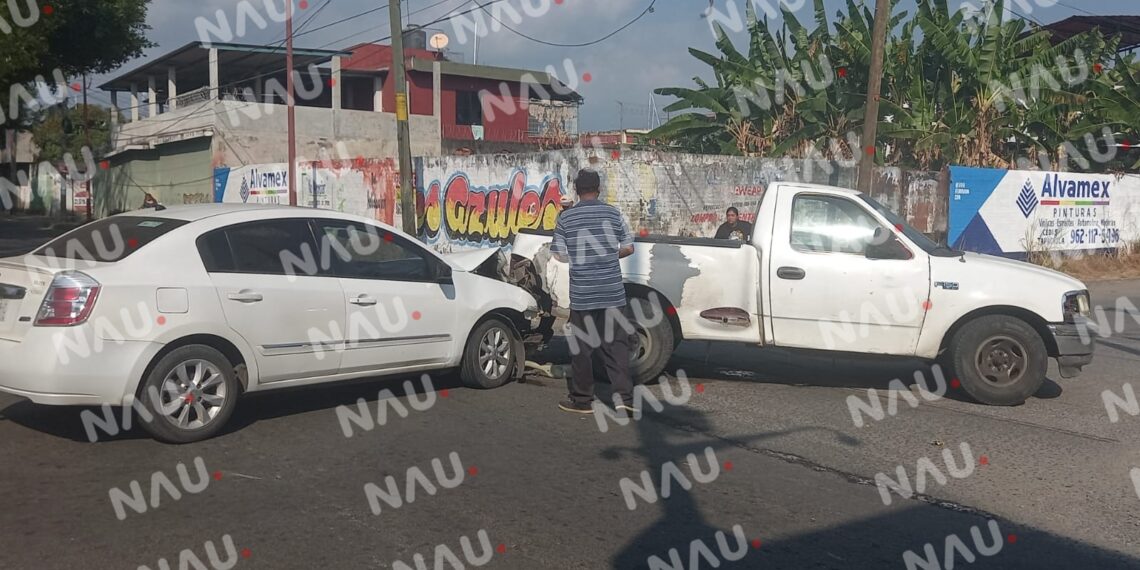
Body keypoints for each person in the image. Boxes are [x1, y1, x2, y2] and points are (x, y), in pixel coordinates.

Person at [550, 169, 637, 415]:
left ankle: (582, 400)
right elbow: (629, 248)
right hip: (612, 293)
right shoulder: (613, 214)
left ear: (577, 190)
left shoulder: (566, 218)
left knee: (582, 349)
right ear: (598, 189)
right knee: (616, 346)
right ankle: (625, 399)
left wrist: (580, 256)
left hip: (583, 294)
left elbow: (558, 253)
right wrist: (609, 255)